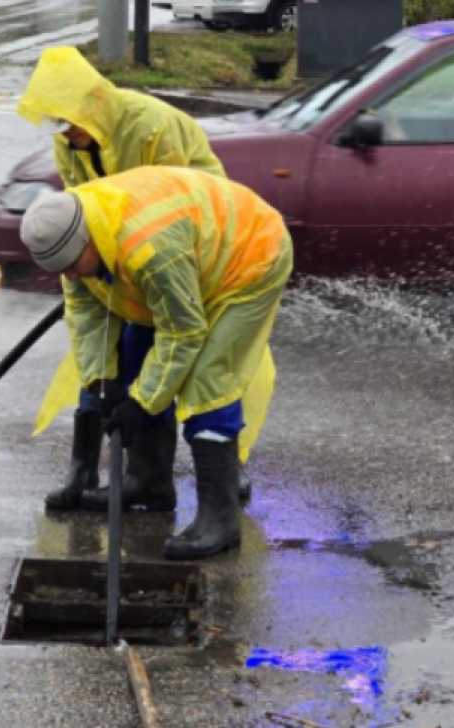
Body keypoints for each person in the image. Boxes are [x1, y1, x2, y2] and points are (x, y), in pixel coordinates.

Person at [20, 166, 292, 560]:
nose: (69, 275)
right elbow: (87, 314)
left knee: (206, 382)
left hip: (248, 258)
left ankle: (221, 519)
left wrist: (141, 403)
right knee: (133, 357)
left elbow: (183, 332)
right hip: (188, 259)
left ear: (89, 241)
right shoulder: (75, 238)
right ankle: (148, 484)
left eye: (73, 264)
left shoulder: (149, 247)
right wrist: (105, 379)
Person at [16, 45, 228, 514]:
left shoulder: (151, 126)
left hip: (179, 246)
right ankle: (86, 467)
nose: (67, 137)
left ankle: (207, 474)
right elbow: (79, 211)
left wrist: (136, 273)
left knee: (176, 353)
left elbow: (180, 203)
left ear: (91, 106)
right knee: (98, 352)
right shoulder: (68, 142)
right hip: (112, 250)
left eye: (70, 123)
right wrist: (85, 270)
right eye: (58, 126)